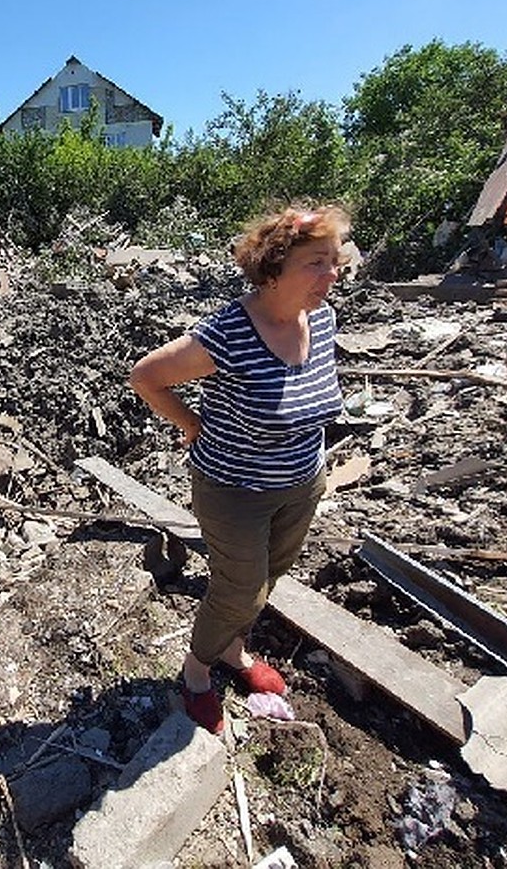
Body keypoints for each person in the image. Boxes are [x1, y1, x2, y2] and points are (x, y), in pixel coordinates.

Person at [129, 205, 349, 734]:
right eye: (317, 263)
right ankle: (197, 672)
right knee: (239, 588)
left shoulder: (321, 318)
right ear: (275, 267)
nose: (332, 275)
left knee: (268, 577)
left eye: (335, 262)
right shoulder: (230, 332)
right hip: (234, 488)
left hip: (301, 481)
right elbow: (146, 376)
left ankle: (234, 651)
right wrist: (192, 426)